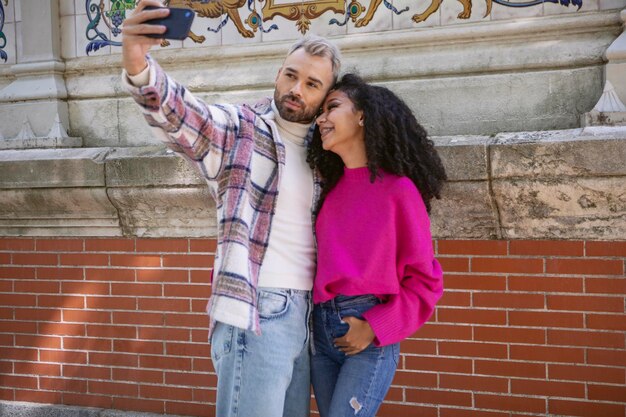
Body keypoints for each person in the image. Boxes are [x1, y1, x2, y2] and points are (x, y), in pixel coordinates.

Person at [120, 2, 342, 416]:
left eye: (312, 84)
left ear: (326, 97)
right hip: (258, 312)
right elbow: (186, 116)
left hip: (308, 318)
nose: (297, 89)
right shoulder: (241, 129)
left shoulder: (325, 156)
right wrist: (139, 64)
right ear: (278, 74)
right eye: (291, 75)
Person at [306, 73, 447, 417]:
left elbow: (426, 280)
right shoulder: (326, 191)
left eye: (332, 107)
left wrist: (374, 327)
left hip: (367, 332)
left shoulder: (399, 191)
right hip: (318, 331)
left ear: (362, 115)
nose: (322, 119)